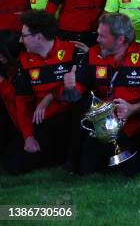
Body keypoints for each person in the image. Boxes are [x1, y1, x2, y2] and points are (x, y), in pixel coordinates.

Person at [66, 13, 140, 177]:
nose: (97, 39)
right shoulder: (92, 54)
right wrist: (70, 87)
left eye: (102, 36)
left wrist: (133, 108)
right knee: (87, 169)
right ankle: (72, 161)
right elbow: (78, 89)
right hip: (105, 123)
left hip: (135, 123)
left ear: (120, 39)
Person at [3, 10, 83, 174]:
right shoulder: (25, 61)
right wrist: (28, 136)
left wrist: (51, 96)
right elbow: (22, 101)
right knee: (13, 164)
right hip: (43, 121)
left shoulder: (73, 52)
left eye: (24, 35)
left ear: (38, 37)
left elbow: (80, 90)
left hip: (70, 117)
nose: (20, 39)